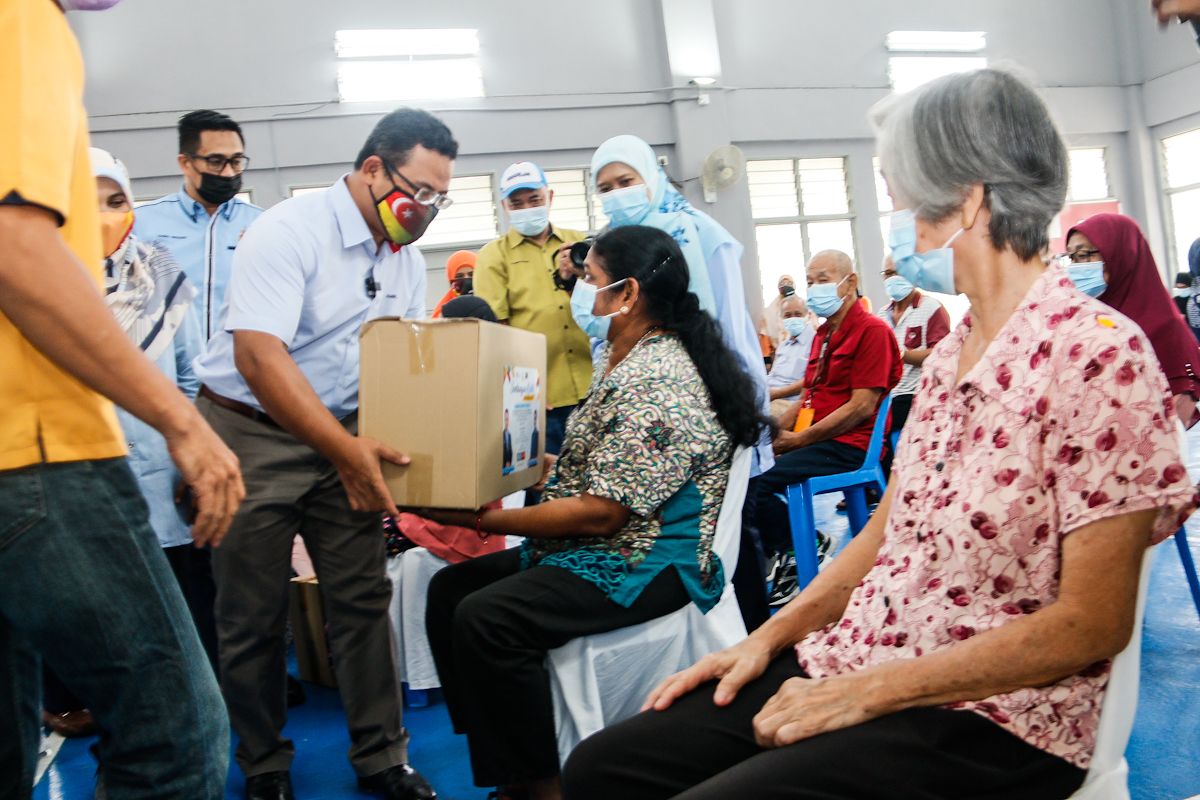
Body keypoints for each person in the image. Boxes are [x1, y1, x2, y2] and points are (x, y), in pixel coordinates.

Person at [563, 67, 1199, 800]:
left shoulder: (1099, 356)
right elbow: (885, 531)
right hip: (866, 651)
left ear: (967, 200)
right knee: (605, 769)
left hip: (992, 714)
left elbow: (1092, 623)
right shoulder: (956, 353)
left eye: (897, 193)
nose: (892, 215)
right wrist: (768, 638)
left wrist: (874, 694)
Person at [422, 225, 765, 800]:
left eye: (588, 279)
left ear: (627, 294)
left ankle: (539, 785)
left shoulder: (659, 378)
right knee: (448, 594)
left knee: (488, 619)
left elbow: (601, 514)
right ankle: (506, 749)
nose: (579, 290)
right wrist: (518, 462)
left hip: (648, 563)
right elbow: (599, 468)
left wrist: (477, 520)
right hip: (608, 543)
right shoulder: (621, 355)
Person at [0, 1, 244, 797]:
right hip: (36, 449)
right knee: (172, 733)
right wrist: (183, 422)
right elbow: (17, 250)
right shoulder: (22, 21)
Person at [192, 108, 454, 800]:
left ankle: (382, 756)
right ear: (373, 170)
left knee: (364, 600)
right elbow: (258, 356)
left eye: (439, 199)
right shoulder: (288, 231)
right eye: (419, 191)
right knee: (251, 612)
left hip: (346, 431)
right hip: (251, 433)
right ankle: (265, 763)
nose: (425, 210)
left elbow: (399, 364)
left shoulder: (405, 261)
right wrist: (345, 449)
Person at [590, 134, 775, 631]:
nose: (617, 195)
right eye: (604, 187)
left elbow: (730, 326)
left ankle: (757, 639)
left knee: (729, 535)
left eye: (626, 181)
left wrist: (736, 404)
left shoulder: (697, 233)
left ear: (652, 177)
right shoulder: (606, 253)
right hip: (650, 418)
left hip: (710, 400)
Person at [93, 146, 224, 669]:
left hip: (167, 468)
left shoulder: (158, 275)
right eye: (88, 201)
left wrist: (189, 447)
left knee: (191, 602)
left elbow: (192, 373)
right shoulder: (49, 288)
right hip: (92, 475)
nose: (105, 214)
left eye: (115, 199)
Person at [754, 249, 901, 604]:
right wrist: (769, 436)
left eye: (824, 279)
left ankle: (801, 545)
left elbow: (861, 406)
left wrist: (800, 439)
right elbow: (808, 397)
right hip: (817, 439)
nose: (815, 287)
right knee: (745, 469)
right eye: (811, 281)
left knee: (755, 485)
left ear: (849, 283)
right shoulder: (822, 335)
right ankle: (783, 547)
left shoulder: (873, 331)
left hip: (850, 445)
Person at [474, 162, 591, 476]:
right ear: (504, 207)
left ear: (550, 196)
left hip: (594, 386)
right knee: (546, 488)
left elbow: (607, 301)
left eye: (535, 199)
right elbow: (495, 333)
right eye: (517, 203)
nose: (527, 208)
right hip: (541, 400)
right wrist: (523, 393)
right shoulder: (494, 257)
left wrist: (577, 276)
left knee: (600, 481)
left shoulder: (578, 243)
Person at [134, 109, 264, 340]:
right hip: (169, 370)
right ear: (185, 163)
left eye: (236, 161)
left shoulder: (262, 225)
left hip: (239, 368)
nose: (228, 172)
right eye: (215, 161)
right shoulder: (142, 224)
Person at [1064, 213, 1200, 429]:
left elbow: (1174, 423)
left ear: (1122, 255)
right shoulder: (1088, 322)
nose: (1075, 267)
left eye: (1083, 255)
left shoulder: (1167, 330)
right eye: (1071, 257)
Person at [878, 255, 951, 434]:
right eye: (888, 274)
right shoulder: (881, 315)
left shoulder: (931, 308)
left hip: (917, 395)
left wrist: (901, 354)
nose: (893, 278)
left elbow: (943, 354)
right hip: (887, 397)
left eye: (899, 273)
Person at [766, 295, 814, 418]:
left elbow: (811, 381)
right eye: (787, 315)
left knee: (760, 418)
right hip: (769, 396)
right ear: (781, 318)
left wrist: (775, 394)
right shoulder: (783, 346)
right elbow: (773, 375)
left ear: (807, 315)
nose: (793, 319)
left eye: (798, 314)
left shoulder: (815, 342)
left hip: (791, 401)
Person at [432, 249, 476, 318]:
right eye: (459, 276)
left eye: (471, 274)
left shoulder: (492, 303)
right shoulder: (442, 314)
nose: (466, 279)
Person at [764, 274, 796, 344]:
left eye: (789, 283)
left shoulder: (802, 306)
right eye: (782, 283)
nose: (786, 285)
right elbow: (765, 331)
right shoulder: (771, 310)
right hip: (778, 348)